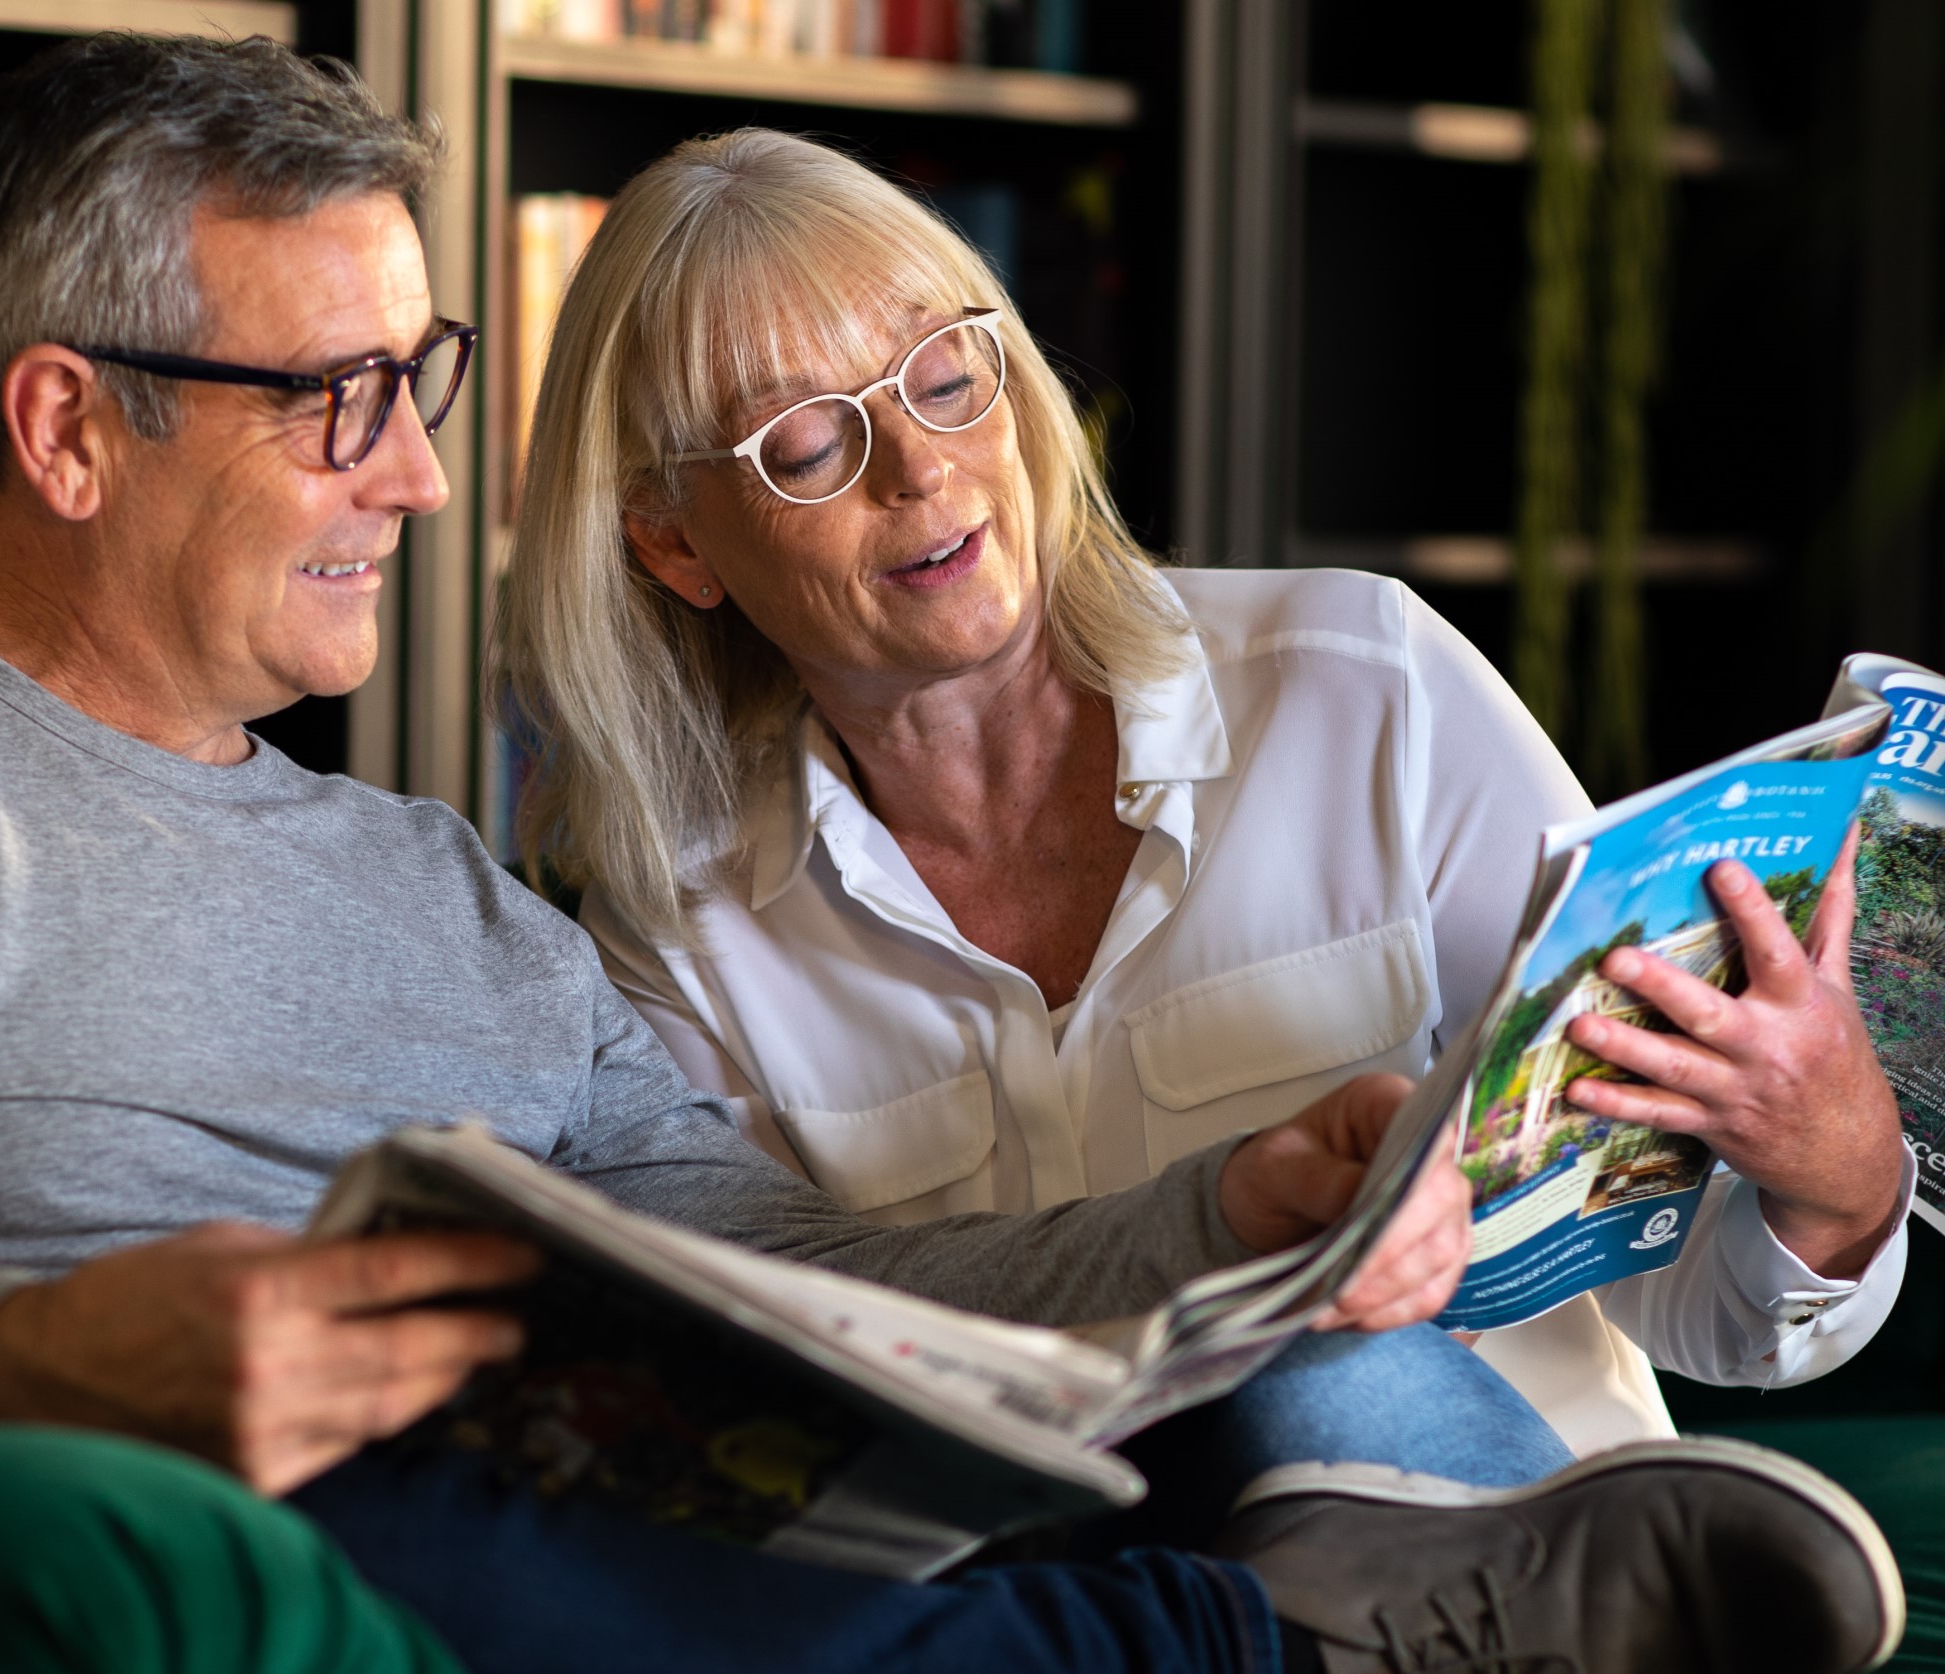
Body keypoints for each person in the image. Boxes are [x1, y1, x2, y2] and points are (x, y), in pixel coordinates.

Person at [0, 33, 1899, 1674]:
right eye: (343, 402)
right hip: (141, 1518)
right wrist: (47, 1359)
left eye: (424, 386)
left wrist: (1222, 1216)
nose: (424, 483)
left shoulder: (458, 891)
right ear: (66, 424)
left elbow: (801, 1272)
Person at [492, 127, 1917, 1460]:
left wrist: (1837, 1175)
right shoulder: (682, 924)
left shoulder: (1372, 689)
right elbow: (767, 1379)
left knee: (1341, 1383)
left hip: (1509, 1568)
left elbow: (1699, 1305)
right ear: (674, 544)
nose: (922, 469)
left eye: (945, 377)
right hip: (1077, 1607)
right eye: (806, 444)